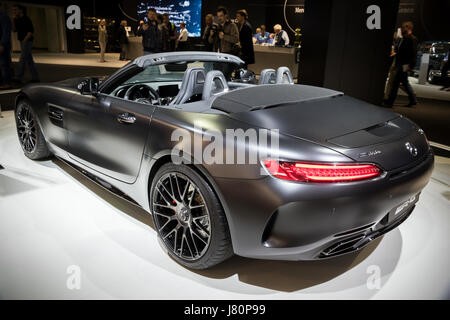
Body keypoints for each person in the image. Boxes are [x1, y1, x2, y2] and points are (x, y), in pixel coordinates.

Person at [385, 21, 418, 107]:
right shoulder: (404, 38)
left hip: (404, 64)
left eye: (404, 28)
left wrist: (411, 65)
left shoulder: (412, 39)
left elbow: (413, 53)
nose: (402, 29)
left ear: (408, 28)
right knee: (404, 82)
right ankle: (413, 99)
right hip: (401, 63)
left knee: (396, 83)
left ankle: (390, 102)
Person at [12, 4, 39, 83]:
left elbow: (30, 31)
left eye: (16, 10)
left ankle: (18, 77)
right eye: (13, 10)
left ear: (21, 10)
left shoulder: (26, 19)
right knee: (29, 60)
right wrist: (13, 21)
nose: (14, 12)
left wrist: (25, 40)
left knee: (22, 59)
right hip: (22, 41)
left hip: (27, 41)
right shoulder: (17, 19)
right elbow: (14, 30)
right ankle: (36, 77)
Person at [0, 9, 12, 89]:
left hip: (2, 45)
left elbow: (6, 32)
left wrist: (2, 44)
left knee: (4, 64)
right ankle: (1, 83)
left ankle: (7, 83)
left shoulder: (3, 17)